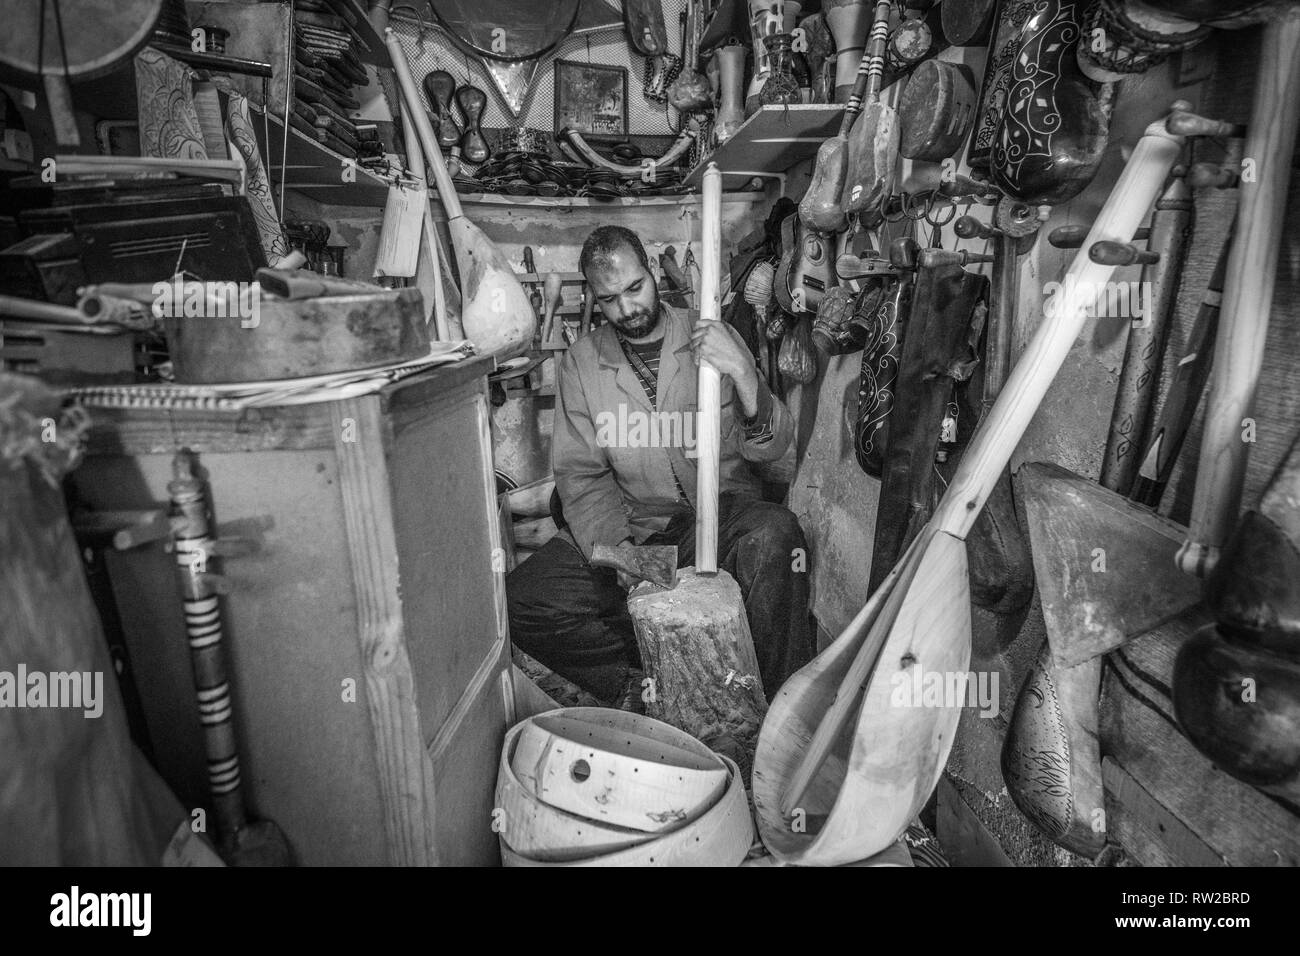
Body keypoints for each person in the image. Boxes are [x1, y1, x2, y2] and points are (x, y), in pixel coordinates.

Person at [506, 225, 812, 704]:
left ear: (651, 271)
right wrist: (624, 553)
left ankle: (779, 706)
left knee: (778, 536)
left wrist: (744, 371)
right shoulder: (581, 363)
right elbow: (582, 475)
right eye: (609, 299)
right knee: (525, 601)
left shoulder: (711, 333)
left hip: (721, 516)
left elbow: (772, 451)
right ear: (594, 298)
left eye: (635, 288)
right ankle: (644, 688)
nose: (627, 308)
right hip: (636, 524)